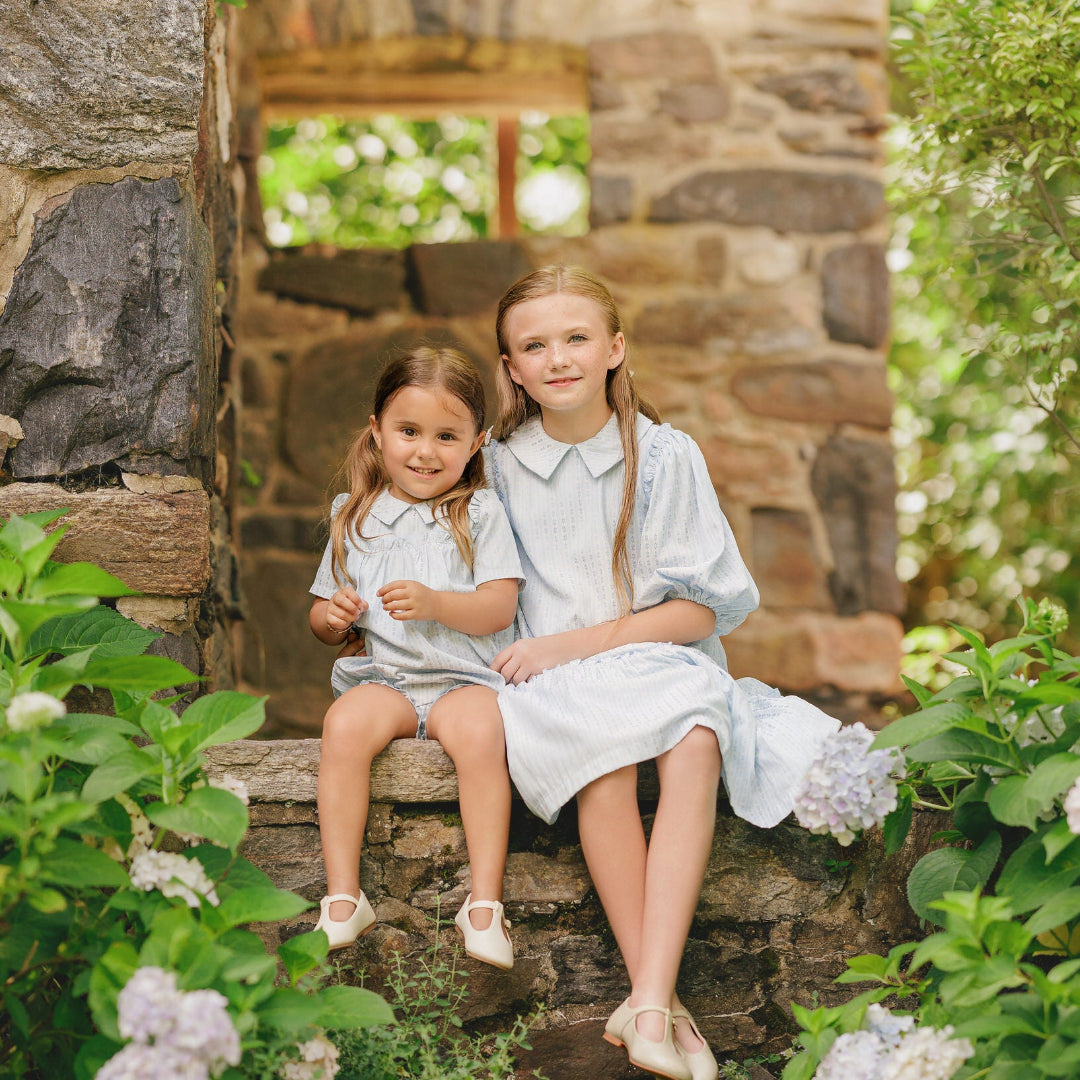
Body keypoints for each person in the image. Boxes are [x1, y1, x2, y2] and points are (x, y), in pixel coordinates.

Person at [485, 266, 841, 1080]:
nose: (558, 358)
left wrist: (579, 644)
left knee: (698, 733)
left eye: (577, 338)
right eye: (533, 346)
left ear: (615, 348)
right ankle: (659, 1007)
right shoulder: (495, 469)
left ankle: (646, 999)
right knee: (601, 767)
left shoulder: (666, 455)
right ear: (510, 368)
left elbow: (702, 612)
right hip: (548, 684)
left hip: (656, 658)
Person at [308, 346, 522, 969]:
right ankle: (344, 896)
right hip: (388, 680)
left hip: (463, 679)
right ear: (376, 432)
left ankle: (483, 904)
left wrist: (436, 602)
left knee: (483, 732)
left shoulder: (478, 513)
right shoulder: (354, 517)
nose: (426, 451)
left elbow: (498, 608)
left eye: (446, 436)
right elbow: (319, 616)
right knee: (343, 725)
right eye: (408, 432)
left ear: (477, 442)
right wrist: (335, 617)